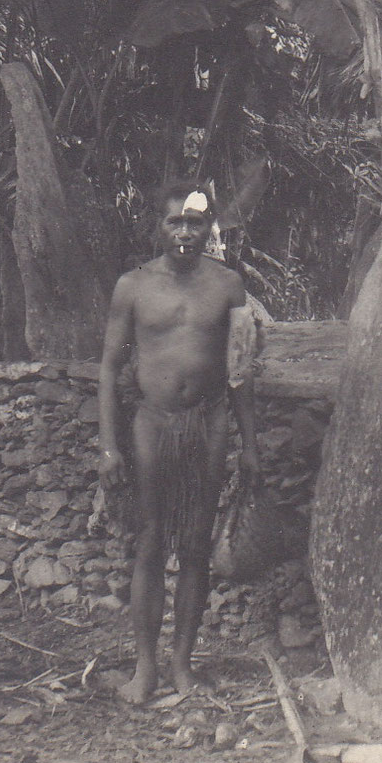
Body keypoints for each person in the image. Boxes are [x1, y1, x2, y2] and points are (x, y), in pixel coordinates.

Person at [98, 183, 262, 704]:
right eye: (175, 222)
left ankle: (182, 666)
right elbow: (107, 368)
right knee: (149, 544)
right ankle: (144, 670)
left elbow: (241, 373)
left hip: (207, 422)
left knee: (194, 547)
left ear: (210, 227)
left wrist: (251, 444)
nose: (185, 233)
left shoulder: (229, 286)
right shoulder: (133, 286)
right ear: (159, 227)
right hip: (152, 422)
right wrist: (109, 446)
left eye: (195, 223)